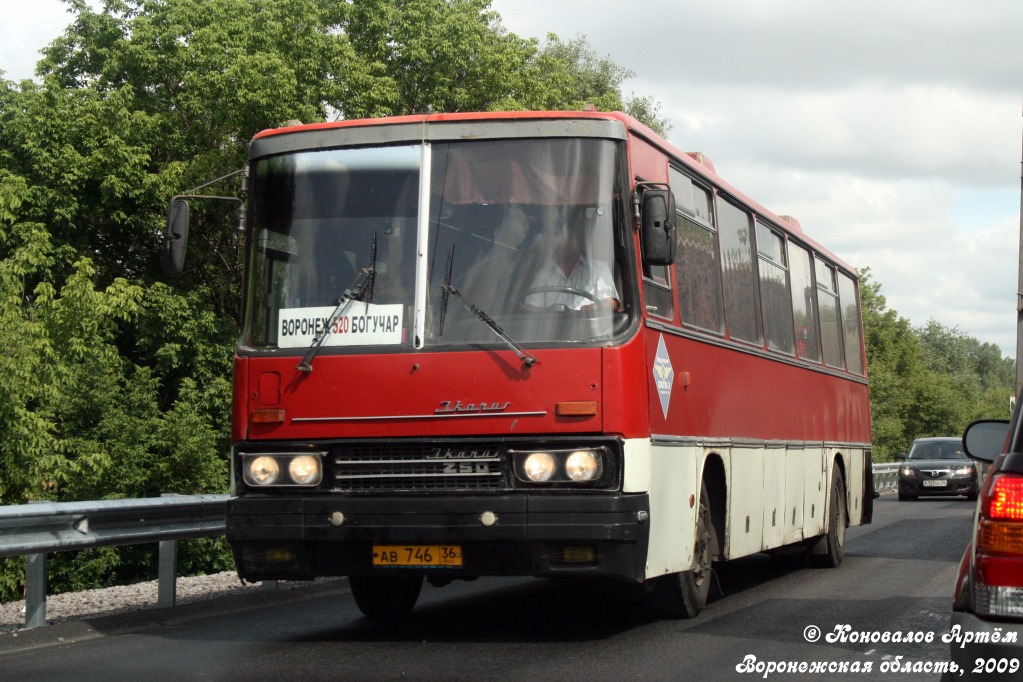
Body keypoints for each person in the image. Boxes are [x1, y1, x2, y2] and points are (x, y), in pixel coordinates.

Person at [524, 219, 619, 312]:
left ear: (579, 241)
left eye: (568, 238)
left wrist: (595, 308)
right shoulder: (544, 274)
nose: (563, 243)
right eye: (560, 238)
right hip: (552, 327)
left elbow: (612, 302)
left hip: (589, 326)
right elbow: (530, 307)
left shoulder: (599, 269)